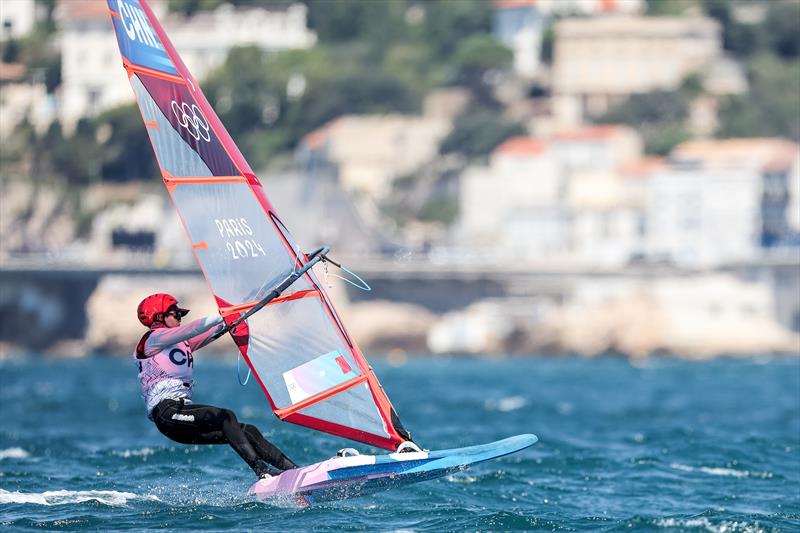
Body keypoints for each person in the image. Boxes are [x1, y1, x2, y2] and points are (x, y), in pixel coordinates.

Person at [133, 293, 297, 479]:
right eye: (176, 314)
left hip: (180, 415)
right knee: (226, 417)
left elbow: (216, 331)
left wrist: (239, 315)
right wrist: (224, 313)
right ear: (159, 316)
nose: (180, 318)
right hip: (168, 413)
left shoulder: (180, 342)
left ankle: (293, 471)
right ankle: (263, 472)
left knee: (245, 431)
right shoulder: (153, 339)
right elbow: (193, 329)